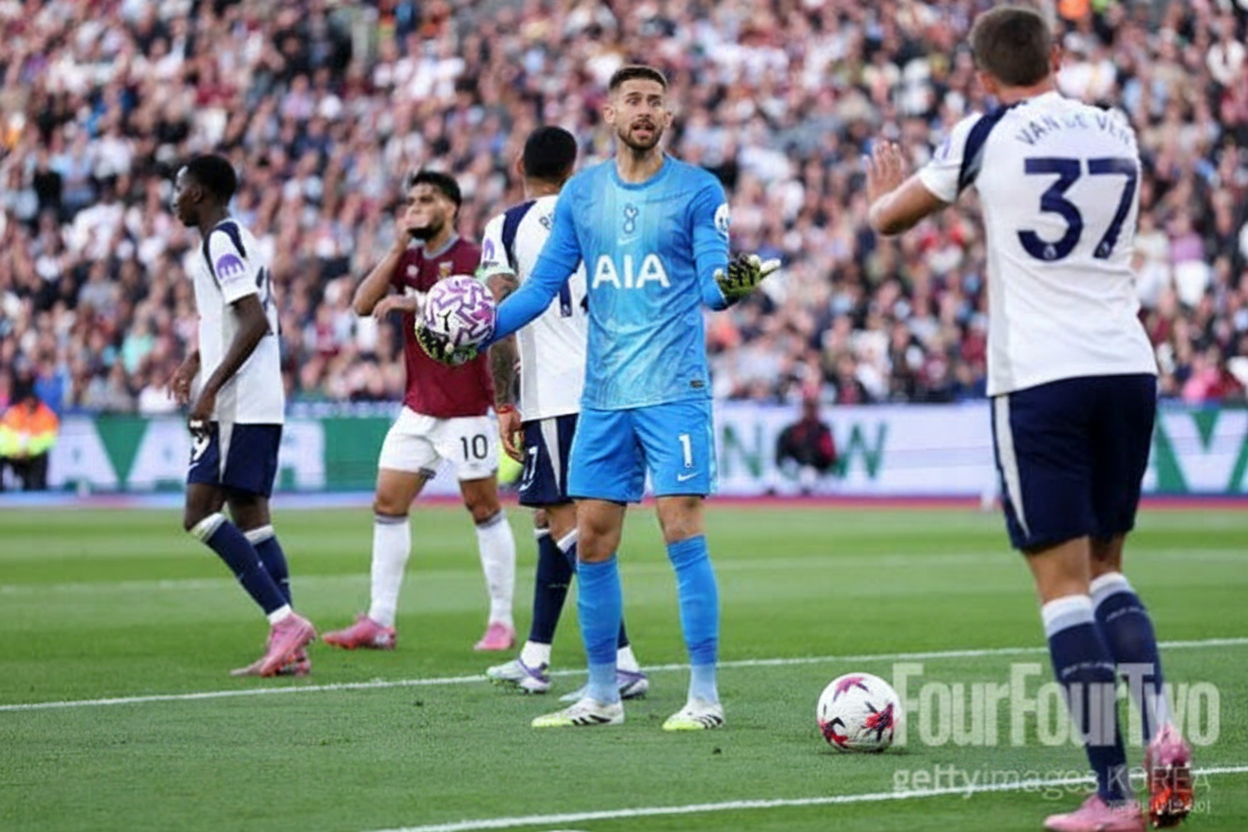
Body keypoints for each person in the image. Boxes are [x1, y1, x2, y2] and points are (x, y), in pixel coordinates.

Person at [864, 7, 1190, 831]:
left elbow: (893, 219)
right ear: (1055, 54)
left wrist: (877, 197)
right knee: (1110, 567)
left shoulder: (985, 132)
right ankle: (1163, 730)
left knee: (1060, 589)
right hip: (1126, 362)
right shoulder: (1116, 128)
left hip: (1041, 375)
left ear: (981, 73)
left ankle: (1114, 797)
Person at [421, 65, 777, 730]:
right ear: (610, 114)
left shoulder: (698, 190)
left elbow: (709, 289)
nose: (644, 110)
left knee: (681, 532)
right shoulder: (584, 198)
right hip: (603, 394)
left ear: (668, 116)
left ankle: (704, 697)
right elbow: (537, 288)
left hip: (673, 389)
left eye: (655, 102)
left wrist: (731, 285)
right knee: (592, 545)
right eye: (632, 101)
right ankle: (603, 695)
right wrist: (480, 332)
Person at [477, 125, 648, 700]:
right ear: (574, 168)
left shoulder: (506, 226)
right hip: (611, 388)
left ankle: (621, 661)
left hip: (554, 393)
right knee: (551, 523)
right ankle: (535, 657)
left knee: (573, 527)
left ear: (520, 161)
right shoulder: (601, 217)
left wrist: (505, 401)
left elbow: (500, 318)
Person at [322, 170, 518, 653]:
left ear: (452, 207)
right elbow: (363, 305)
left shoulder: (475, 258)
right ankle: (380, 620)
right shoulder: (405, 259)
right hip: (418, 408)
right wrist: (394, 251)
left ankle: (501, 620)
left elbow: (483, 311)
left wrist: (415, 302)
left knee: (484, 508)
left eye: (426, 199)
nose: (414, 208)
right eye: (409, 200)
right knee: (388, 503)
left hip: (468, 407)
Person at [167, 154, 316, 677]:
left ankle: (284, 621)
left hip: (238, 404)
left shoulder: (220, 241)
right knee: (251, 517)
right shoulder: (237, 238)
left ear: (201, 194)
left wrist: (210, 389)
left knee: (200, 514)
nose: (174, 196)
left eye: (180, 188)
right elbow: (232, 317)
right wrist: (193, 360)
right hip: (259, 400)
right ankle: (291, 644)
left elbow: (254, 323)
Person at [0, 385, 60, 491]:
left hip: (33, 457)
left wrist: (28, 450)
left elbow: (49, 440)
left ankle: (37, 489)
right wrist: (16, 451)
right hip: (14, 454)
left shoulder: (46, 415)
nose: (29, 403)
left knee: (41, 460)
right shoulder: (14, 413)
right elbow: (4, 436)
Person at [774, 395, 837, 494]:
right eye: (807, 408)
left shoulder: (822, 430)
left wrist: (818, 467)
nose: (809, 412)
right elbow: (781, 452)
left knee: (809, 476)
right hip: (793, 469)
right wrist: (789, 466)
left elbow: (830, 454)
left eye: (812, 409)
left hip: (816, 471)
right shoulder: (792, 430)